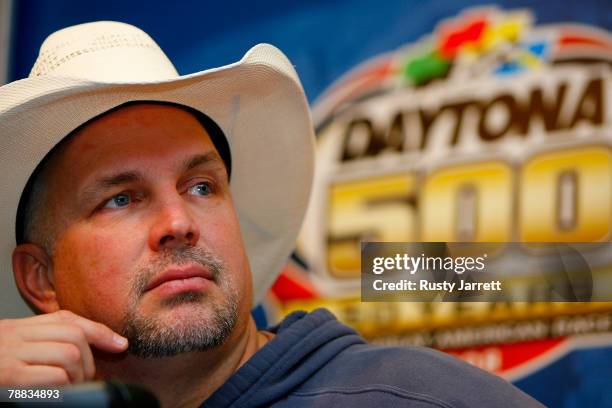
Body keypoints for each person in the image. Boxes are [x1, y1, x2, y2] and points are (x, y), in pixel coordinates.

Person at [0, 21, 543, 407]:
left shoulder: (416, 398)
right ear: (40, 279)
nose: (179, 222)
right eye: (121, 198)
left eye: (201, 186)